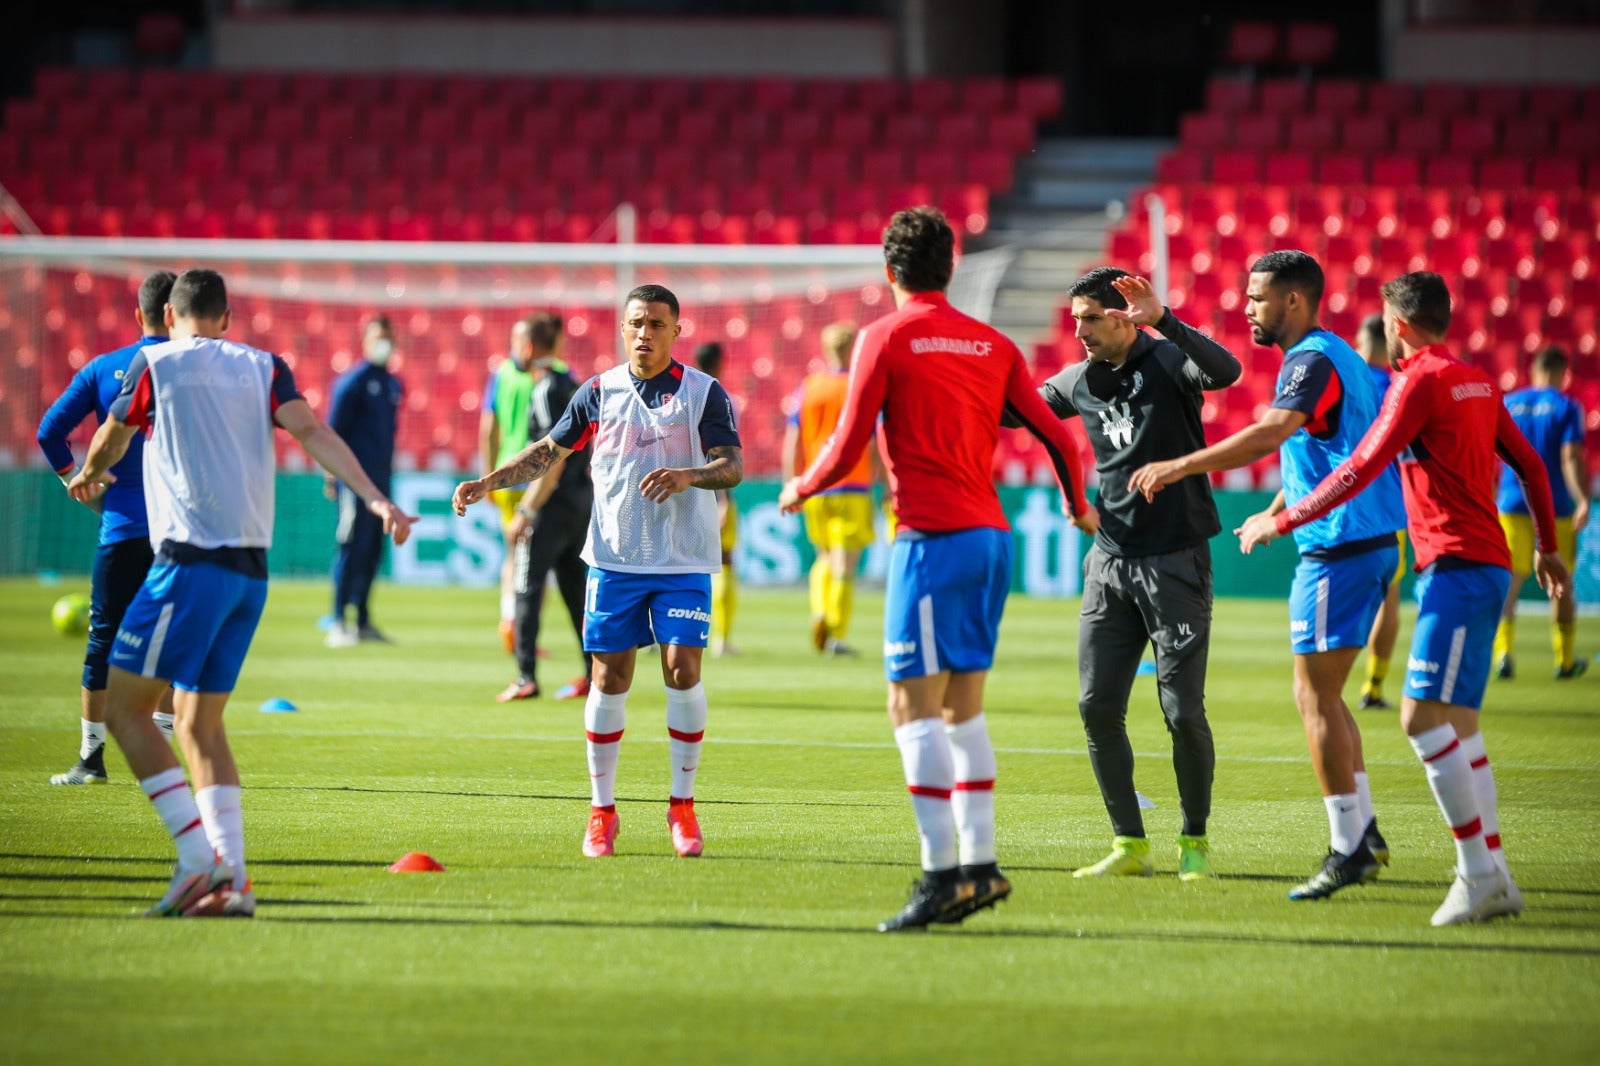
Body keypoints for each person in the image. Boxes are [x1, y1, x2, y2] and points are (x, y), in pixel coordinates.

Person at [780, 207, 1095, 932]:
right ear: (950, 268)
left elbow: (849, 441)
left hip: (931, 539)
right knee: (963, 709)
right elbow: (1059, 436)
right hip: (990, 540)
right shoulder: (993, 342)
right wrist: (1078, 507)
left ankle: (940, 876)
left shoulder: (886, 336)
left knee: (910, 707)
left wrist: (802, 485)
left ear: (889, 270)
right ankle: (980, 867)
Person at [66, 268, 413, 918]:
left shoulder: (154, 364)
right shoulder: (264, 367)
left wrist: (88, 471)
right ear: (226, 318)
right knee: (197, 724)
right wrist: (375, 499)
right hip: (249, 574)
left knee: (125, 710)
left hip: (188, 564)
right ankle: (236, 883)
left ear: (170, 318)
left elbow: (111, 436)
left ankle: (198, 859)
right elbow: (315, 433)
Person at [1239, 271, 1566, 926]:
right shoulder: (1477, 379)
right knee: (1462, 727)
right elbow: (1530, 466)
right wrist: (1547, 547)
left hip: (1455, 567)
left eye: (1386, 323)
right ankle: (1495, 873)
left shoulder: (1418, 382)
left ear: (1399, 325)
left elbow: (1359, 465)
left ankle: (1477, 874)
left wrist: (1284, 519)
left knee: (1419, 717)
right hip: (1486, 564)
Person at [1128, 251, 1405, 900]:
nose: (1247, 308)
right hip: (1362, 542)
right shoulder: (1341, 356)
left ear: (1293, 301)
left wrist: (1179, 466)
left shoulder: (1309, 361)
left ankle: (1348, 848)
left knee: (1314, 699)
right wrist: (1276, 508)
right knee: (1327, 696)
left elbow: (1270, 434)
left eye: (1257, 298)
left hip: (1340, 548)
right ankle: (1363, 832)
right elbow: (1334, 447)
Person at [453, 284, 741, 861]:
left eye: (656, 324)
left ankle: (682, 807)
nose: (645, 333)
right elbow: (548, 451)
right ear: (623, 328)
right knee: (609, 680)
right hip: (614, 560)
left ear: (676, 330)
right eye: (636, 323)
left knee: (683, 669)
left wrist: (688, 476)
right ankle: (602, 812)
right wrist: (489, 482)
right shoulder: (598, 392)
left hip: (682, 559)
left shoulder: (704, 393)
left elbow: (731, 465)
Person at [1013, 267, 1239, 884]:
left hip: (1175, 559)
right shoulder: (1078, 380)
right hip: (1108, 563)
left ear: (1123, 316)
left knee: (1182, 712)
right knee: (1096, 706)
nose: (1079, 331)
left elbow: (1225, 372)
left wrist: (1165, 320)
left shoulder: (1168, 361)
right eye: (1075, 319)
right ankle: (1130, 844)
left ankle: (1195, 841)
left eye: (1090, 318)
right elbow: (1015, 411)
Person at [37, 270, 179, 784]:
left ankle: (90, 760)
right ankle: (158, 761)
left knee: (103, 641)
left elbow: (50, 431)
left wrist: (77, 481)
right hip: (178, 531)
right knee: (169, 641)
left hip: (121, 527)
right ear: (176, 314)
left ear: (139, 314)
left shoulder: (103, 368)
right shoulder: (196, 371)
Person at [498, 316, 594, 702]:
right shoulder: (571, 385)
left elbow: (549, 461)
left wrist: (526, 511)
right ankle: (594, 674)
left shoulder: (544, 390)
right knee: (575, 591)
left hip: (551, 507)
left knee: (526, 586)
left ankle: (525, 676)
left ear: (528, 347)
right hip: (580, 503)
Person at [1493, 345, 1590, 680]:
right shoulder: (1568, 407)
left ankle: (1503, 653)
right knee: (1560, 583)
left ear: (1534, 370)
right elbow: (1570, 458)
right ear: (1563, 372)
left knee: (1509, 581)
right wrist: (1582, 499)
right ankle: (1565, 660)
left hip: (1511, 502)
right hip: (1555, 507)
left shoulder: (1509, 402)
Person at [784, 321, 876, 656]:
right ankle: (836, 633)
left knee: (823, 556)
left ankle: (819, 612)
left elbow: (793, 440)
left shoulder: (808, 386)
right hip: (852, 484)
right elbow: (874, 440)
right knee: (845, 564)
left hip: (815, 485)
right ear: (853, 348)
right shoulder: (860, 386)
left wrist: (793, 481)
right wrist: (882, 479)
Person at [324, 315, 404, 648]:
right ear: (365, 342)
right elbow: (330, 433)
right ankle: (338, 620)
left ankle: (363, 619)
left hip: (382, 480)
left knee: (372, 550)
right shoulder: (352, 383)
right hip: (354, 482)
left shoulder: (393, 384)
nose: (385, 344)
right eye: (379, 338)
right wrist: (332, 474)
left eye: (389, 338)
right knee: (351, 546)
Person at [480, 316, 545, 653]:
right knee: (536, 559)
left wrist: (488, 476)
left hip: (506, 474)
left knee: (514, 553)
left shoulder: (501, 374)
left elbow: (488, 429)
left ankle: (510, 619)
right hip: (537, 476)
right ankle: (523, 629)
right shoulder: (549, 374)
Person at [1354, 313, 1408, 710]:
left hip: (1342, 504)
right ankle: (1372, 686)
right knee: (1388, 601)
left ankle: (1323, 683)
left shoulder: (1346, 382)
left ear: (1361, 341)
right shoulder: (1397, 387)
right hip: (1389, 508)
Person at [694, 341, 739, 657]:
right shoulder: (720, 398)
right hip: (714, 487)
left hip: (683, 489)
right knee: (724, 562)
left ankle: (654, 634)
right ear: (721, 363)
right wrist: (722, 500)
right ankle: (721, 639)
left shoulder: (681, 395)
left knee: (670, 562)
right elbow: (720, 453)